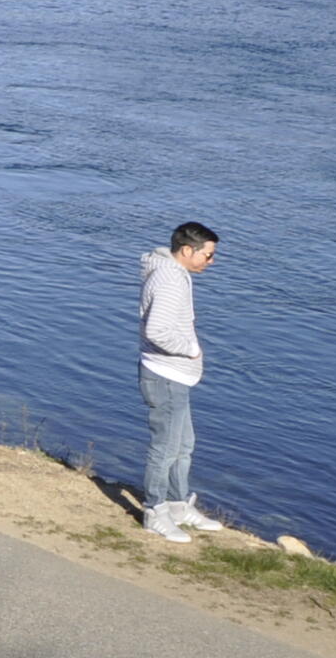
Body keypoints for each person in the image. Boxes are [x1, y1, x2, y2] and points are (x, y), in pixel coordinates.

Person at [140, 221, 224, 541]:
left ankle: (177, 504)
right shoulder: (169, 279)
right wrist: (190, 348)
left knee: (184, 445)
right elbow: (157, 332)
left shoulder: (176, 274)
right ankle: (154, 510)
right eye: (208, 255)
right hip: (165, 376)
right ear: (187, 250)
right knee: (166, 447)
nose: (211, 261)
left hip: (175, 377)